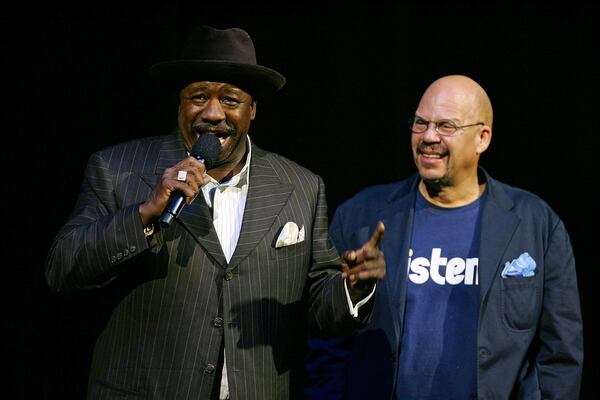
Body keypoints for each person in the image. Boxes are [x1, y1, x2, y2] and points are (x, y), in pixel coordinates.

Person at [44, 25, 385, 400]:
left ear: (252, 110)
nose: (212, 112)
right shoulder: (117, 168)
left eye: (230, 99)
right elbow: (62, 267)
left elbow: (321, 306)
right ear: (179, 105)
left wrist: (353, 287)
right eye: (199, 96)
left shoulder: (301, 187)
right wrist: (144, 214)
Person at [304, 74, 583, 399]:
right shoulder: (361, 216)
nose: (428, 137)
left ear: (482, 138)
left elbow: (560, 357)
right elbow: (324, 345)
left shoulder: (536, 225)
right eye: (420, 123)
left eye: (446, 126)